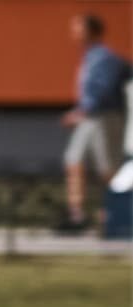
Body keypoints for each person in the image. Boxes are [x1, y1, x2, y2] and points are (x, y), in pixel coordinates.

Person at [57, 12, 130, 233]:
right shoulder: (89, 57)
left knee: (108, 169)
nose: (74, 33)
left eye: (78, 28)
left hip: (104, 117)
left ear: (91, 31)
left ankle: (118, 213)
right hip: (88, 118)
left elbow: (103, 91)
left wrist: (81, 111)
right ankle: (77, 215)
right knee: (73, 161)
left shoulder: (105, 58)